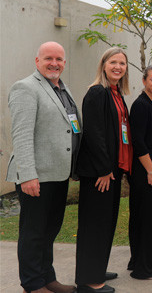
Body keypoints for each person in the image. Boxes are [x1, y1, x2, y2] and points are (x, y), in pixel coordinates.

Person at [7, 42, 80, 293]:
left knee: (49, 231)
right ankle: (32, 283)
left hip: (58, 174)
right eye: (48, 58)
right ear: (37, 61)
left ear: (64, 63)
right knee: (33, 233)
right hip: (36, 176)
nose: (54, 63)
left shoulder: (61, 88)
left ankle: (47, 278)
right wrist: (28, 175)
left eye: (59, 59)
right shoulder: (25, 88)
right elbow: (22, 136)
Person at [75, 47, 133, 293]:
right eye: (113, 62)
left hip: (112, 170)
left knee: (106, 223)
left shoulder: (116, 93)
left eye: (122, 63)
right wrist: (104, 169)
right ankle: (89, 280)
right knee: (94, 225)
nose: (118, 67)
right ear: (104, 64)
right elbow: (94, 134)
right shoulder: (97, 93)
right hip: (100, 173)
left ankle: (97, 268)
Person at [127, 65, 152, 280]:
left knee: (147, 213)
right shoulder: (141, 105)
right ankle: (144, 268)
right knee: (148, 216)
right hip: (147, 165)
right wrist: (151, 170)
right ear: (144, 81)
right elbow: (138, 142)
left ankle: (141, 259)